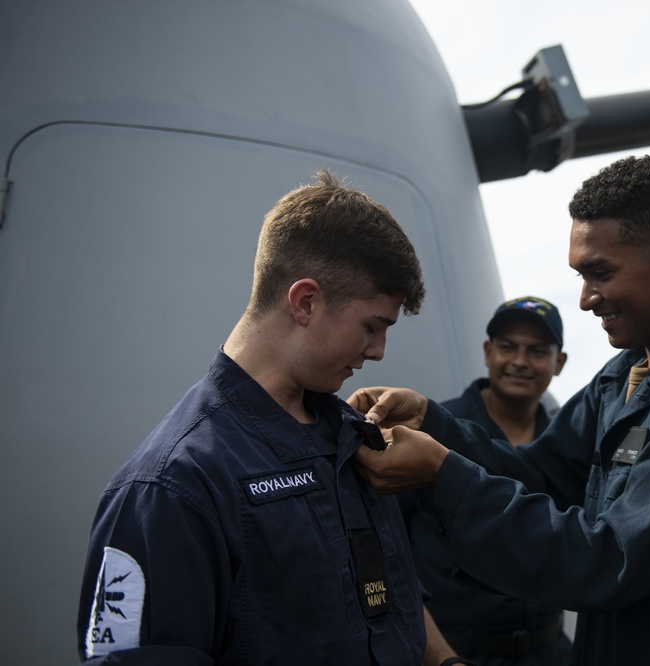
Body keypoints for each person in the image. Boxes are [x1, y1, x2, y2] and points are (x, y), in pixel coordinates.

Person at [349, 154, 650, 665]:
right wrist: (433, 423)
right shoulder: (620, 378)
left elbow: (611, 558)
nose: (585, 299)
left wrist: (441, 474)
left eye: (600, 272)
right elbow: (541, 474)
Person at [76, 170, 467, 665]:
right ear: (305, 301)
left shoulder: (353, 440)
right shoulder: (171, 486)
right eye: (371, 327)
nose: (379, 351)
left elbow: (388, 599)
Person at [404, 296, 572, 665]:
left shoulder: (568, 446)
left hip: (552, 653)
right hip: (456, 655)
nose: (520, 362)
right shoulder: (431, 431)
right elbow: (389, 554)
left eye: (537, 351)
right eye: (507, 347)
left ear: (559, 363)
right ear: (487, 351)